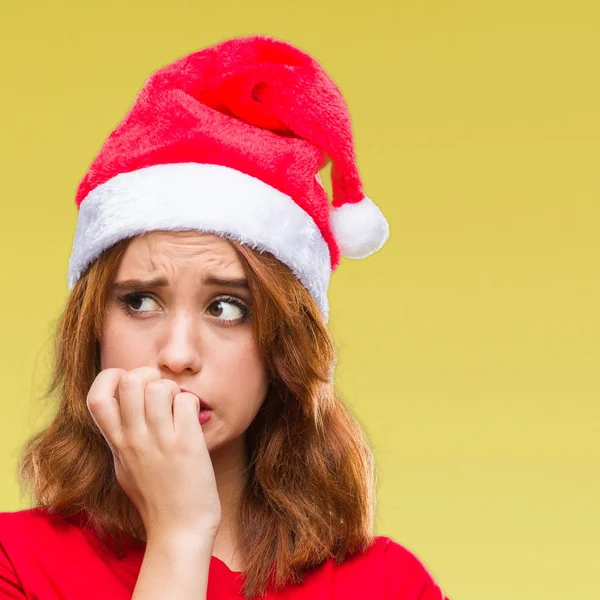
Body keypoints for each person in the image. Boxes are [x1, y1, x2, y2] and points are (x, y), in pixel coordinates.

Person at [0, 34, 450, 600]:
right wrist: (179, 536)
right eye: (139, 301)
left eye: (227, 308)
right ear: (93, 330)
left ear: (283, 347)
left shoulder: (386, 585)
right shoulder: (15, 561)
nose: (179, 354)